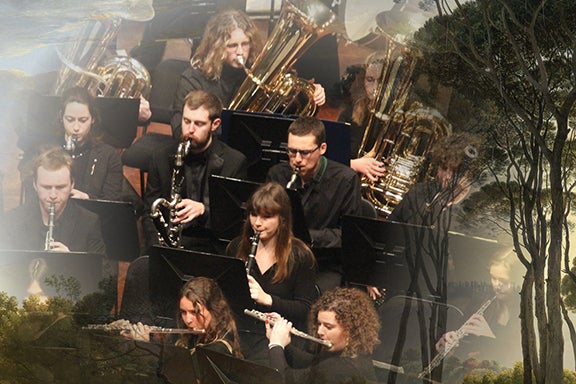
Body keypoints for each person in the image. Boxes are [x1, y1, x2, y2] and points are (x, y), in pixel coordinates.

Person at [170, 9, 326, 140]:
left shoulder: (258, 72)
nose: (240, 52)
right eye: (232, 46)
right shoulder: (193, 78)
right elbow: (178, 128)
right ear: (216, 47)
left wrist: (312, 94)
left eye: (245, 44)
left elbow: (291, 110)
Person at [142, 90, 248, 251]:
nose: (190, 130)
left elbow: (234, 221)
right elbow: (149, 212)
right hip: (170, 244)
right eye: (186, 121)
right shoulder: (161, 157)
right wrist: (160, 248)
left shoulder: (234, 162)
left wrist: (203, 210)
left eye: (199, 124)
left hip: (212, 245)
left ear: (215, 124)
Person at [267, 116, 363, 291]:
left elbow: (350, 235)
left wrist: (309, 237)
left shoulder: (345, 179)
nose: (297, 159)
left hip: (323, 263)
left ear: (322, 148)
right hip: (281, 257)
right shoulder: (277, 174)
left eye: (304, 153)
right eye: (291, 151)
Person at [226, 182, 317, 363]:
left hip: (277, 337)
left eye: (267, 217)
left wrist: (268, 299)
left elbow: (306, 309)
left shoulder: (300, 255)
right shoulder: (237, 248)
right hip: (240, 331)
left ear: (282, 219)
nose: (257, 223)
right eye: (253, 215)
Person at [20, 86, 124, 202]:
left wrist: (87, 199)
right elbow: (32, 196)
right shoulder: (42, 152)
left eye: (83, 120)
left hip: (93, 217)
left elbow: (112, 201)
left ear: (93, 119)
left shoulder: (109, 156)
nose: (76, 128)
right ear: (61, 117)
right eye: (70, 119)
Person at [433, 249, 522, 377]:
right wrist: (451, 348)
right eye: (493, 277)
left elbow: (515, 360)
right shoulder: (482, 303)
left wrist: (489, 337)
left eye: (504, 280)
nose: (497, 285)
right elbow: (467, 349)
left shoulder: (531, 316)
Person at [0, 146, 105, 253]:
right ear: (35, 185)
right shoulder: (12, 221)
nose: (53, 195)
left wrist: (72, 261)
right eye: (46, 187)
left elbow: (103, 269)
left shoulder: (88, 222)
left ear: (72, 185)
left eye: (60, 187)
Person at [266, 287, 380, 384]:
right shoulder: (352, 353)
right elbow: (313, 363)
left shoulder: (340, 369)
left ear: (351, 329)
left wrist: (276, 345)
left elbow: (283, 380)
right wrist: (283, 343)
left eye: (328, 326)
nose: (320, 331)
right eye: (319, 323)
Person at [338, 51, 387, 182]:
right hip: (349, 180)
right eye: (370, 80)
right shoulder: (349, 113)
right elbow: (333, 159)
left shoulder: (399, 119)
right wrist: (355, 164)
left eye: (382, 81)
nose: (375, 88)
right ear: (363, 80)